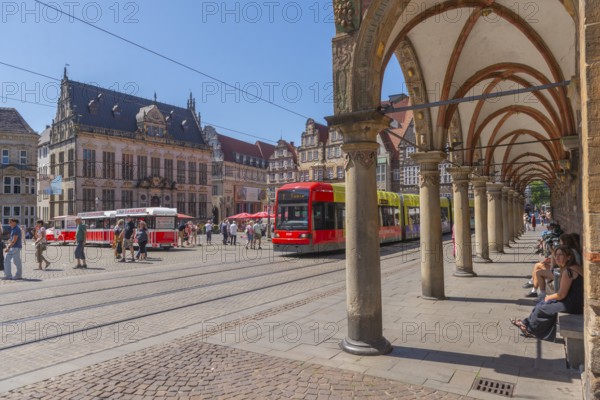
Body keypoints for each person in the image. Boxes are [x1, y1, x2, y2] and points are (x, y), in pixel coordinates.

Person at [511, 246, 583, 341]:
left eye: (560, 255)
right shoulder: (573, 267)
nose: (557, 258)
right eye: (555, 255)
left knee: (542, 307)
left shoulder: (568, 271)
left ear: (569, 257)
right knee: (541, 304)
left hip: (572, 305)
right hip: (575, 302)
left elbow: (561, 294)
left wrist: (548, 297)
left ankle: (530, 329)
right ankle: (526, 324)